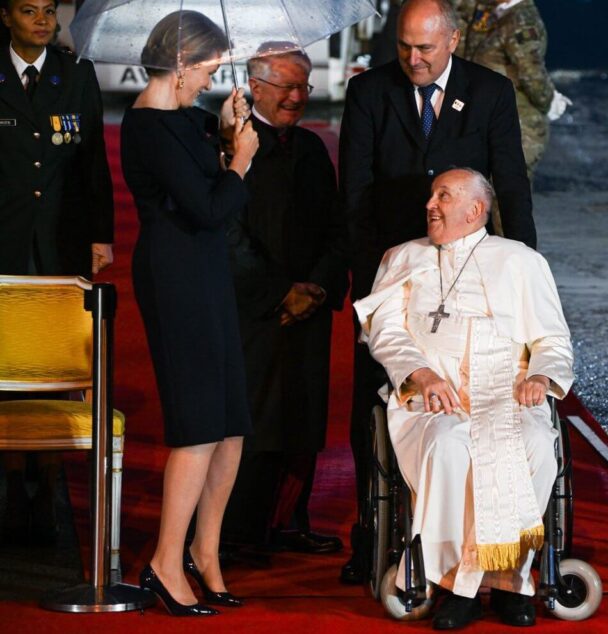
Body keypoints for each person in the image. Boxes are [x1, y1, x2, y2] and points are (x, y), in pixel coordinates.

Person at [338, 0, 535, 584]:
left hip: (468, 268)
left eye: (425, 48)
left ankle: (492, 544)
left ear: (452, 41)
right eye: (404, 47)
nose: (413, 59)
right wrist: (371, 271)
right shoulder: (370, 92)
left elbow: (512, 185)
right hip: (393, 269)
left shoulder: (491, 92)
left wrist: (524, 266)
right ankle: (370, 533)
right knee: (371, 397)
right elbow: (354, 190)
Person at [353, 167, 573, 630]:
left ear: (476, 211)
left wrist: (540, 376)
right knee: (451, 447)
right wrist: (421, 372)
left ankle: (501, 580)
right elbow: (386, 332)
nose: (430, 205)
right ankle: (462, 584)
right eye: (432, 196)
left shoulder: (520, 260)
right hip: (433, 395)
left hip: (508, 393)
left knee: (535, 447)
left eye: (443, 196)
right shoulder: (403, 256)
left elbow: (553, 340)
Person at [120, 10, 259, 616]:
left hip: (206, 276)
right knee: (198, 425)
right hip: (175, 278)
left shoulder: (184, 120)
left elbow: (210, 152)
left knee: (230, 426)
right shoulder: (148, 127)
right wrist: (239, 163)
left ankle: (207, 552)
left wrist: (228, 131)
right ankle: (163, 563)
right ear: (179, 64)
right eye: (206, 70)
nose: (209, 81)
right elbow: (207, 208)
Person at [220, 45, 348, 556]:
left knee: (304, 418)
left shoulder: (314, 151)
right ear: (256, 87)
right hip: (256, 309)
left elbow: (338, 228)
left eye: (304, 87)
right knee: (258, 420)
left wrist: (316, 287)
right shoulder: (229, 148)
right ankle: (239, 534)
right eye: (286, 87)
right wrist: (280, 293)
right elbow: (228, 234)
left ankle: (290, 519)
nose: (297, 97)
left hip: (309, 308)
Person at [0, 0, 114, 545]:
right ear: (5, 17)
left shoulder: (76, 74)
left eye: (49, 11)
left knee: (58, 365)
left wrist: (100, 236)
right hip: (4, 241)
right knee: (5, 367)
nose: (43, 21)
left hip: (60, 246)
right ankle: (9, 487)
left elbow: (92, 160)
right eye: (29, 11)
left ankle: (47, 489)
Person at [460, 0, 572, 181]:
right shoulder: (498, 13)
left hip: (518, 130)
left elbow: (531, 73)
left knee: (507, 199)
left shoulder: (520, 20)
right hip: (493, 125)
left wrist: (549, 100)